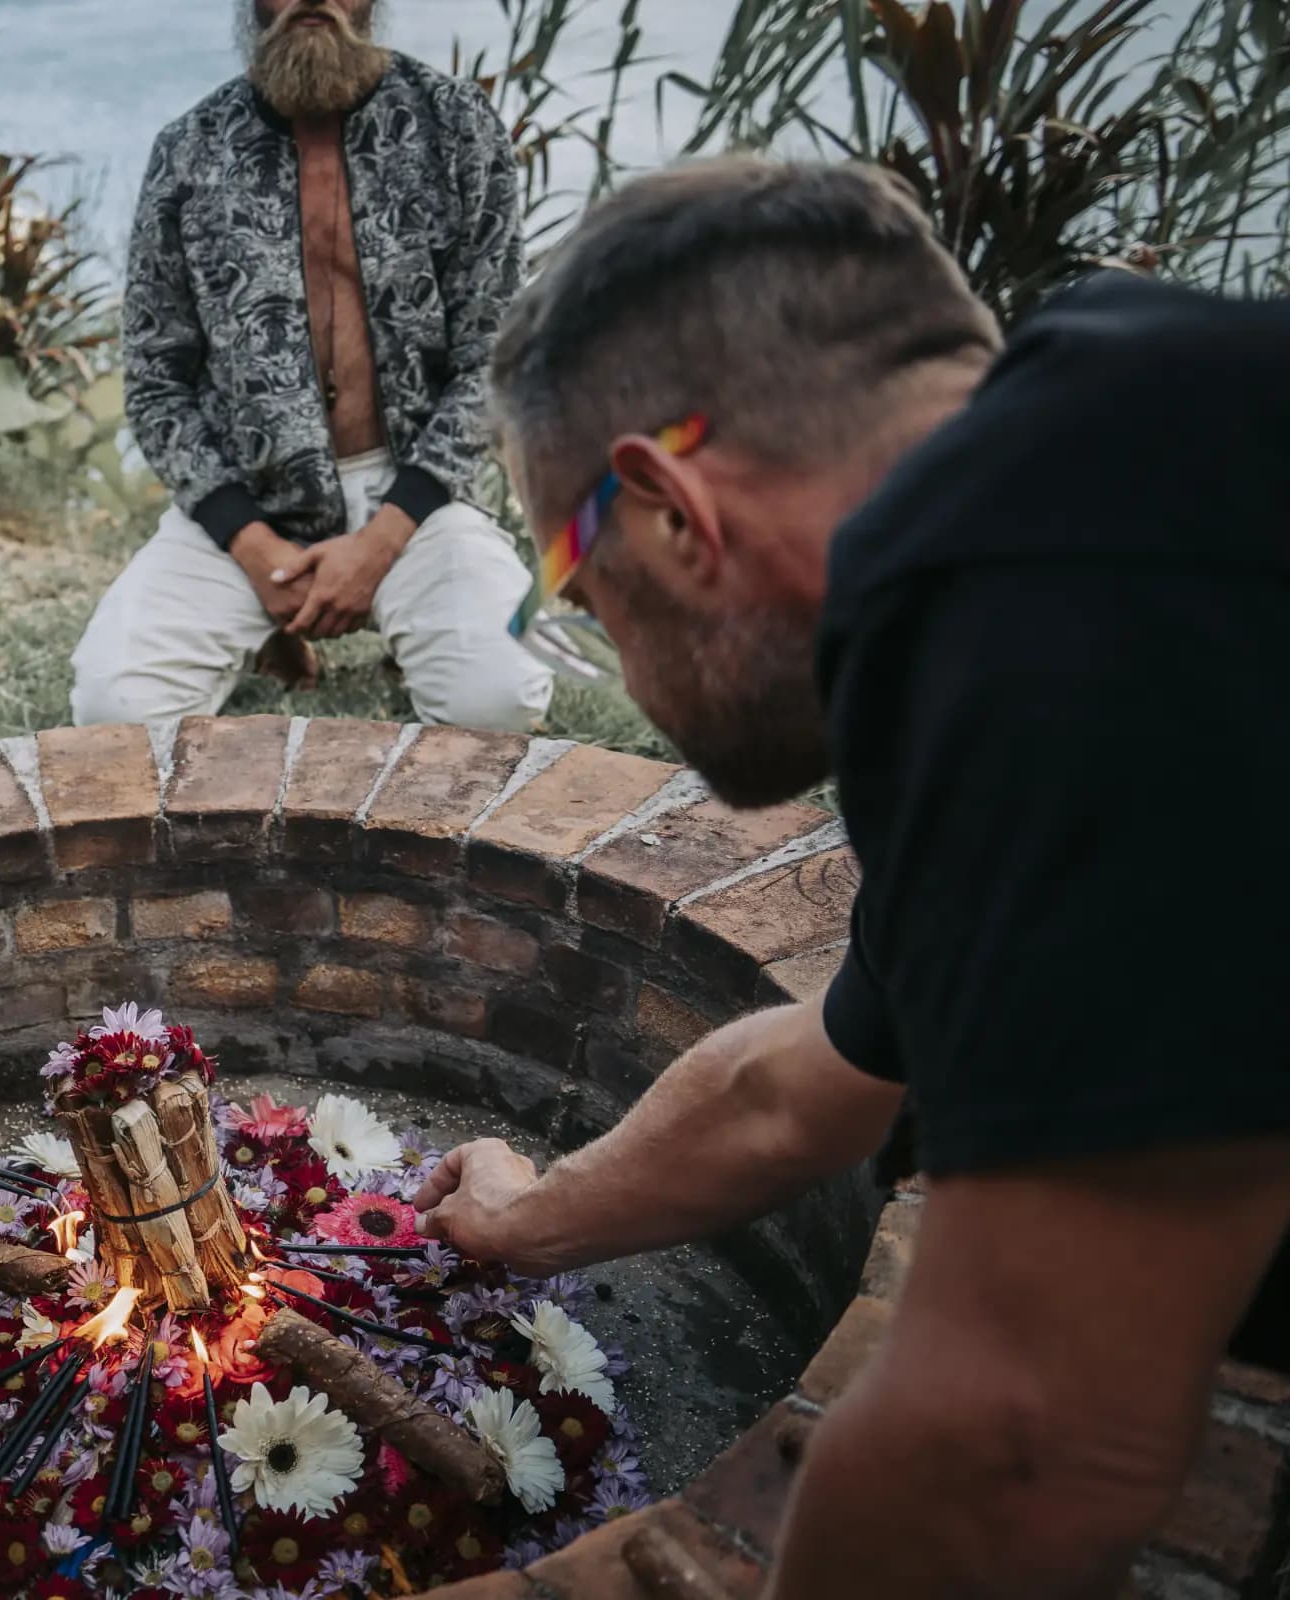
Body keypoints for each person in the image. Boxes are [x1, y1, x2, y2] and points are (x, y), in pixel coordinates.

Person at [415, 157, 1290, 1598]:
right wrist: (527, 1215)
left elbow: (1020, 1450)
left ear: (669, 509)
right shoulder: (1098, 481)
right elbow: (807, 1084)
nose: (615, 667)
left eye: (574, 588)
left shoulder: (1045, 634)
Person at [71, 0, 553, 731]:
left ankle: (402, 621)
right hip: (249, 503)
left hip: (415, 497)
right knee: (112, 711)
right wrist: (249, 542)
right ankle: (266, 628)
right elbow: (157, 382)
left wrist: (384, 540)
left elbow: (492, 361)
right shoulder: (191, 150)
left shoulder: (454, 124)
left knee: (499, 701)